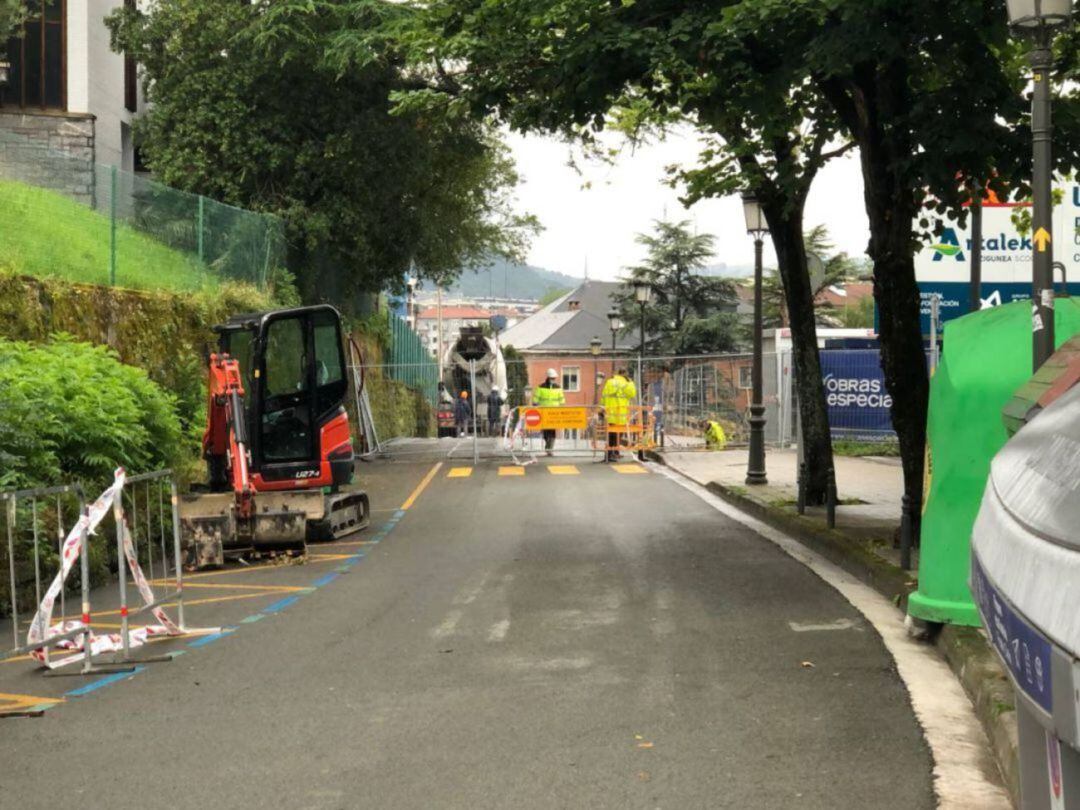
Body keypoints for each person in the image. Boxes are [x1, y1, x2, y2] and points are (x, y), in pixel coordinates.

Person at [601, 367, 636, 462]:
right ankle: (613, 453)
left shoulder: (610, 382)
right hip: (621, 413)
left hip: (610, 412)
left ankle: (611, 453)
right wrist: (631, 382)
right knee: (618, 433)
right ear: (625, 373)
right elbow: (632, 394)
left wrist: (602, 408)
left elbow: (603, 396)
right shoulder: (626, 383)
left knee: (611, 433)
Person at [533, 368, 565, 455]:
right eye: (552, 378)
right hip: (543, 412)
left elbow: (562, 401)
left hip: (554, 413)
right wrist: (535, 407)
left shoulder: (558, 388)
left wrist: (562, 411)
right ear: (548, 377)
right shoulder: (540, 387)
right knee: (545, 431)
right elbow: (535, 400)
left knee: (552, 431)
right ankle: (548, 446)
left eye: (554, 378)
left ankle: (550, 449)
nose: (553, 380)